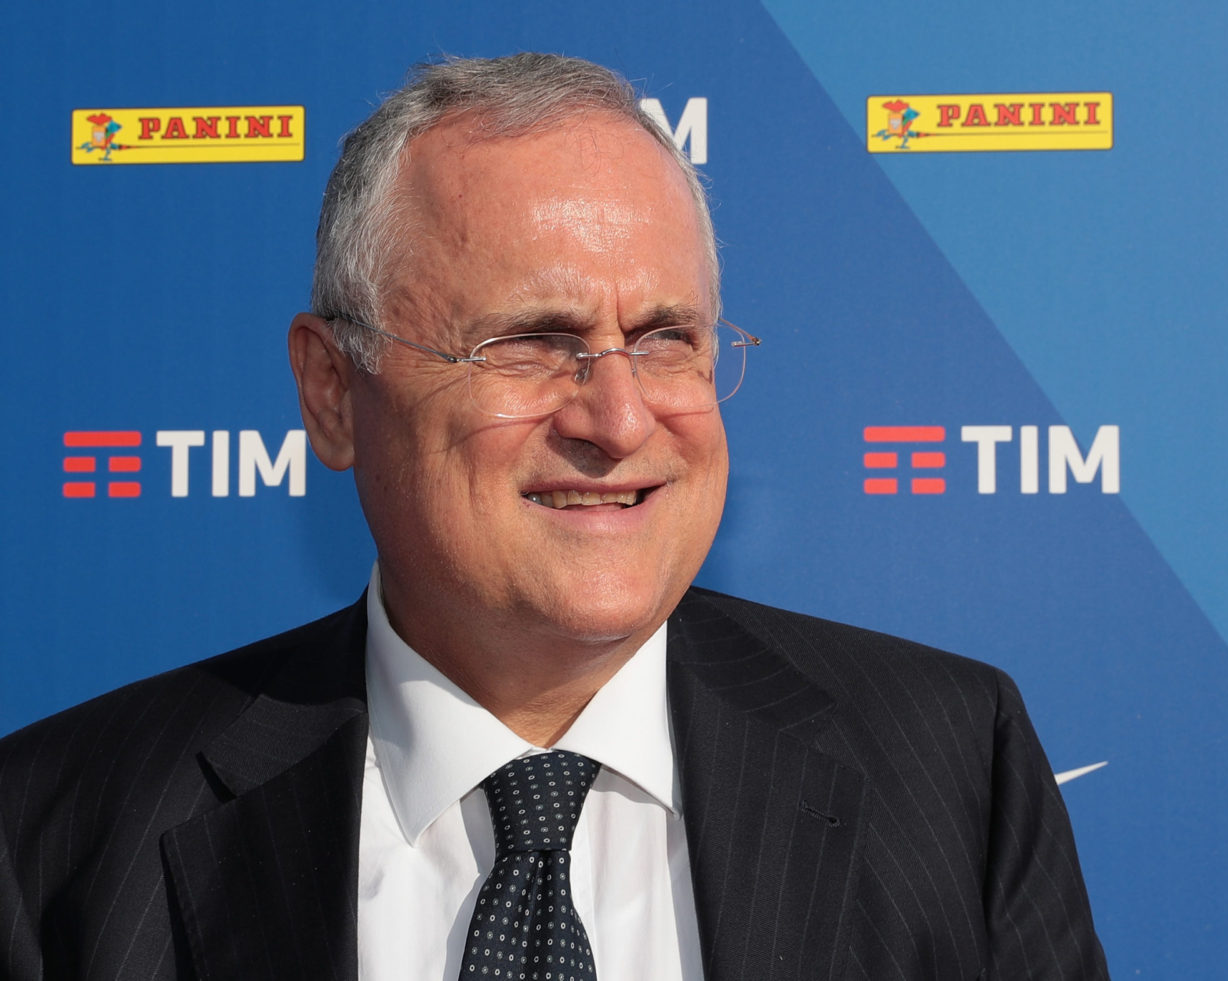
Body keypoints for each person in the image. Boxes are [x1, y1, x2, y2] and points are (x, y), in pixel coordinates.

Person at [0, 53, 1108, 980]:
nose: (619, 418)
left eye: (667, 336)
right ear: (334, 392)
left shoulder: (955, 768)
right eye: (531, 342)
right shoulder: (58, 834)